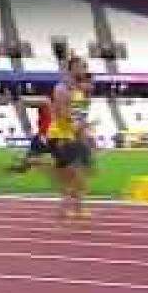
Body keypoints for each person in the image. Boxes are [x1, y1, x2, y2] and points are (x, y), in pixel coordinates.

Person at [47, 55, 95, 221]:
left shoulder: (80, 91)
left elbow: (80, 116)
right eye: (81, 67)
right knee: (75, 176)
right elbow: (63, 114)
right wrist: (79, 127)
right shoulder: (61, 88)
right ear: (72, 68)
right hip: (60, 136)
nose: (84, 70)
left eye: (85, 67)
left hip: (71, 136)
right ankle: (74, 209)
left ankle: (70, 209)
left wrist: (85, 134)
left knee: (75, 176)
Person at [8, 97, 53, 174]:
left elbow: (23, 102)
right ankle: (24, 166)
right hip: (43, 136)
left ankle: (27, 164)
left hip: (45, 136)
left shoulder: (47, 103)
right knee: (31, 156)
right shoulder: (48, 107)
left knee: (32, 157)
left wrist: (17, 99)